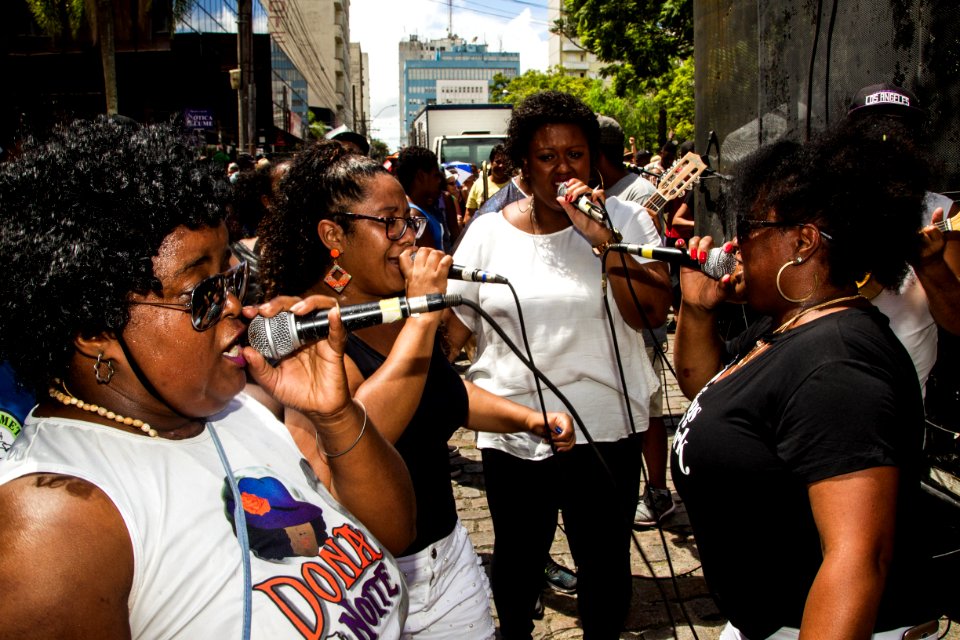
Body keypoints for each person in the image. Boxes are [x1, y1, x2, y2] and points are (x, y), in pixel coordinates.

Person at [0, 118, 415, 638]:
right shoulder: (56, 523)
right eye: (202, 292)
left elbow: (394, 532)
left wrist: (334, 414)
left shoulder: (242, 406)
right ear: (93, 325)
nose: (236, 306)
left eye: (230, 276)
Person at [256, 140, 575, 639]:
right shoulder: (308, 326)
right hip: (360, 582)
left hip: (445, 561)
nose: (407, 238)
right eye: (390, 223)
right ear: (332, 234)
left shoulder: (400, 312)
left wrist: (529, 418)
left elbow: (448, 394)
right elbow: (355, 439)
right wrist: (424, 317)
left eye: (411, 220)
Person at [672, 124, 938, 639]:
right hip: (767, 622)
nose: (735, 242)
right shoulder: (787, 326)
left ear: (803, 242)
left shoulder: (837, 365)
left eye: (748, 226)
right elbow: (704, 387)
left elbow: (858, 559)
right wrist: (697, 309)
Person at [443, 90, 673, 639]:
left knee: (606, 563)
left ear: (594, 158)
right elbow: (453, 332)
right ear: (523, 164)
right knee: (519, 559)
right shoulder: (488, 232)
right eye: (547, 157)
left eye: (575, 154)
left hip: (607, 427)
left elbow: (650, 314)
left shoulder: (627, 220)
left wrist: (606, 243)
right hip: (514, 429)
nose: (563, 168)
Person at [845, 82, 960, 395]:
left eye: (899, 129)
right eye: (873, 129)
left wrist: (931, 265)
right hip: (823, 385)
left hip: (898, 402)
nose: (886, 140)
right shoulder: (825, 205)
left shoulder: (941, 211)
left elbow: (957, 320)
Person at [595, 114, 677, 528]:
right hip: (606, 322)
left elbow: (654, 255)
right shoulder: (598, 195)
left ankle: (658, 492)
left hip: (639, 324)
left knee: (647, 410)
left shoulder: (640, 192)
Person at [395, 146, 456, 252]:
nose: (439, 181)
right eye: (435, 176)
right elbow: (431, 263)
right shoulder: (415, 215)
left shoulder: (421, 208)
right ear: (421, 176)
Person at [464, 144, 511, 224]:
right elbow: (468, 216)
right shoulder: (479, 185)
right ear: (491, 162)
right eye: (498, 162)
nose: (501, 166)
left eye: (505, 162)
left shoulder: (515, 185)